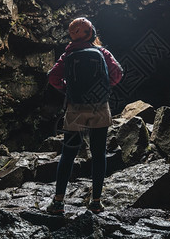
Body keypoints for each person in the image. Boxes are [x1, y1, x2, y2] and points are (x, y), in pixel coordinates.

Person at [46, 17, 123, 215]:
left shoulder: (67, 55)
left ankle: (58, 202)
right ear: (92, 33)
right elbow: (118, 74)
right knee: (98, 154)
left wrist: (68, 89)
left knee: (69, 154)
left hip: (75, 109)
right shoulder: (102, 52)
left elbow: (52, 77)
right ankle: (96, 201)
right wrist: (102, 88)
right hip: (99, 107)